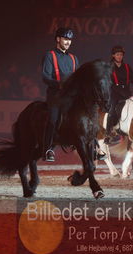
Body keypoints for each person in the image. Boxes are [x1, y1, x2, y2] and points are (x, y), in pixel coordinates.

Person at [41, 27, 79, 162]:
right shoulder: (49, 55)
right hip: (55, 95)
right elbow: (45, 77)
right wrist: (60, 84)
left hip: (70, 96)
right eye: (65, 39)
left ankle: (96, 147)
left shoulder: (74, 58)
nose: (68, 42)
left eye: (70, 40)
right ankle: (48, 148)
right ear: (58, 39)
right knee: (53, 119)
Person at [104, 45, 133, 144]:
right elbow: (110, 83)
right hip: (114, 92)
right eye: (117, 55)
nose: (119, 56)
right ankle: (108, 133)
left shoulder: (127, 66)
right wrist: (120, 92)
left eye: (121, 55)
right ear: (113, 55)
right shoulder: (109, 67)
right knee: (113, 108)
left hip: (127, 92)